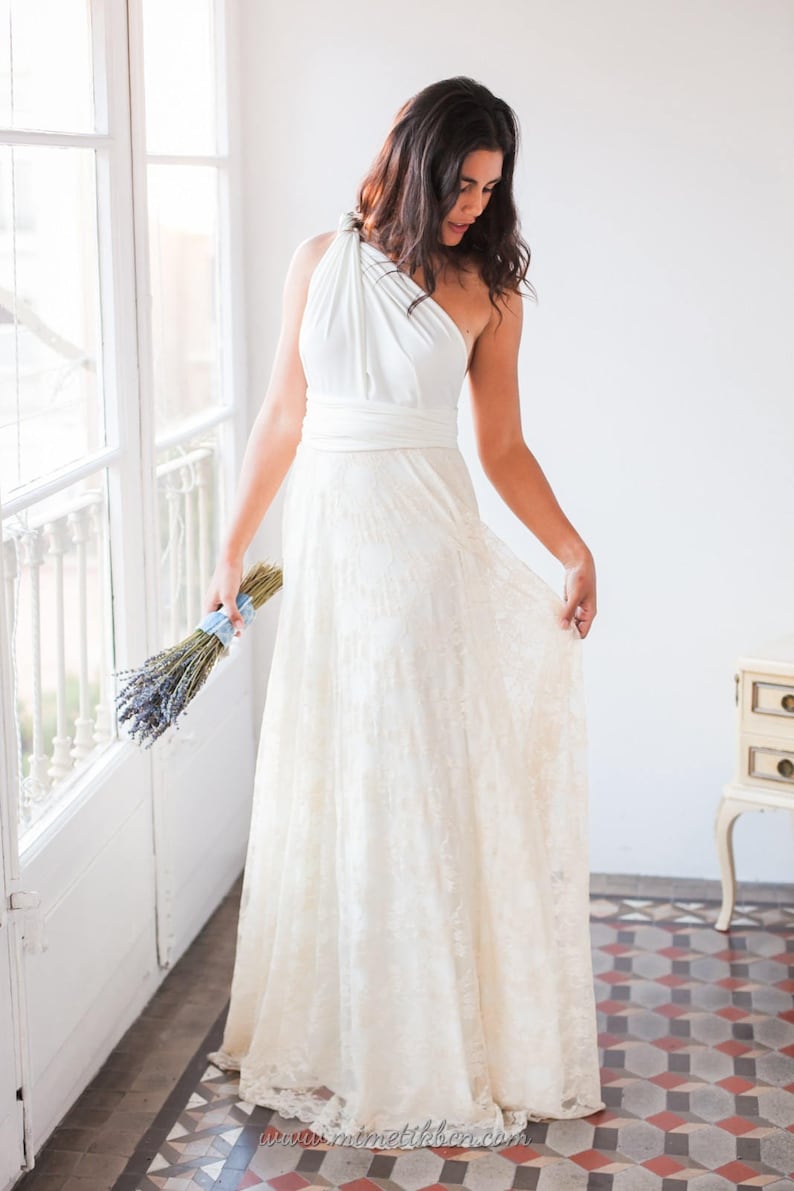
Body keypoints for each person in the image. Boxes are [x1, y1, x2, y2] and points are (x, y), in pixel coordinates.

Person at [203, 76, 604, 1150]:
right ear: (417, 164)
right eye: (463, 183)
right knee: (340, 777)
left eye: (490, 187)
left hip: (423, 561)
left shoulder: (487, 290)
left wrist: (570, 548)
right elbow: (285, 414)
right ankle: (346, 1031)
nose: (475, 205)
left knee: (408, 781)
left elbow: (502, 448)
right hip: (334, 556)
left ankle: (425, 1042)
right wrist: (231, 545)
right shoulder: (318, 262)